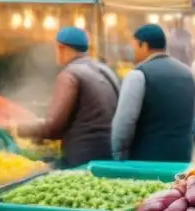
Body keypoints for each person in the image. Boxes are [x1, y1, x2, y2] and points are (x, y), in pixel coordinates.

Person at [13, 27, 120, 168]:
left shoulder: (70, 75)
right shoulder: (106, 70)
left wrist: (18, 129)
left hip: (81, 158)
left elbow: (54, 127)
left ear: (61, 48)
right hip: (109, 154)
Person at [111, 24, 195, 162]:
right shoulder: (188, 73)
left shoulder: (138, 75)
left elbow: (124, 122)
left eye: (134, 46)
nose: (132, 51)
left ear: (144, 45)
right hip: (182, 157)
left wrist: (118, 153)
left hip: (146, 161)